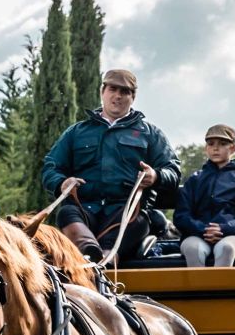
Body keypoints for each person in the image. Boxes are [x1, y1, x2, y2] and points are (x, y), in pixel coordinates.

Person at [41, 68, 181, 262]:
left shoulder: (150, 134)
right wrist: (61, 183)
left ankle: (103, 263)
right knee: (66, 213)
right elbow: (51, 166)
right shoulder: (76, 132)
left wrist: (155, 176)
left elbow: (172, 169)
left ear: (133, 97)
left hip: (128, 211)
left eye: (124, 92)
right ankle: (89, 254)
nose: (117, 96)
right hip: (84, 209)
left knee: (138, 223)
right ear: (102, 92)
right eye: (112, 89)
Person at [174, 124, 235, 267]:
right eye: (211, 144)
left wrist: (224, 229)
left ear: (233, 148)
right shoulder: (195, 180)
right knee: (193, 249)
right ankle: (198, 289)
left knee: (226, 248)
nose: (215, 148)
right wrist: (204, 229)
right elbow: (181, 216)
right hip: (196, 235)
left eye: (222, 144)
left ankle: (222, 289)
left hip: (233, 236)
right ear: (206, 148)